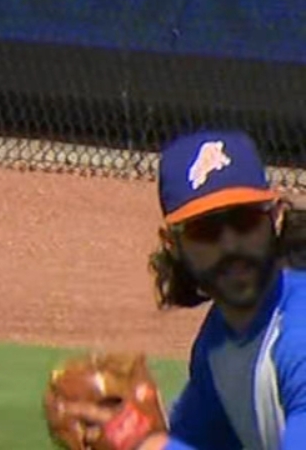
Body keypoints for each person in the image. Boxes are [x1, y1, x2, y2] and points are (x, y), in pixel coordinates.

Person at [64, 129, 306, 449]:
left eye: (244, 221)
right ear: (173, 244)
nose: (230, 244)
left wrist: (141, 443)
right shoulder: (218, 343)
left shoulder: (298, 335)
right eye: (205, 230)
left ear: (275, 218)